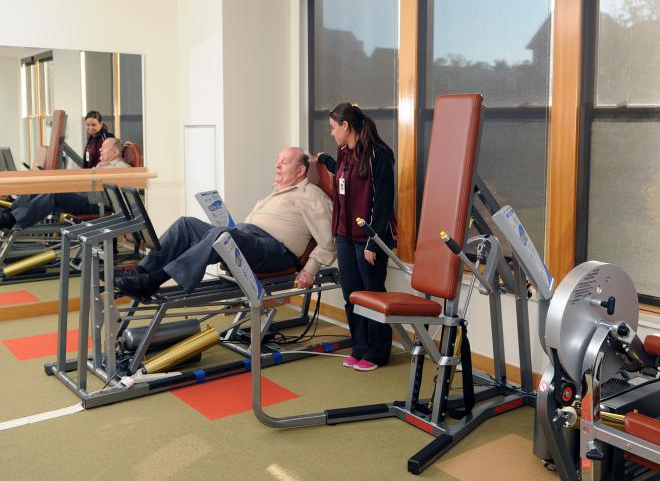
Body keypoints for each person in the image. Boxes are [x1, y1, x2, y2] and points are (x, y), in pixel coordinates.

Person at [115, 147, 335, 302]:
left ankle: (152, 281)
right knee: (186, 224)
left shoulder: (311, 195)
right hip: (249, 237)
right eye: (278, 160)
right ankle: (141, 271)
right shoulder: (279, 191)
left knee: (223, 235)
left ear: (301, 171)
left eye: (284, 162)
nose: (277, 165)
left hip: (275, 251)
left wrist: (310, 269)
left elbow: (329, 240)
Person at [317, 103, 397, 372]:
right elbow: (343, 177)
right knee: (351, 295)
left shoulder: (379, 156)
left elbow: (383, 203)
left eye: (333, 128)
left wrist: (374, 241)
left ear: (346, 126)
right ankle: (360, 347)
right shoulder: (343, 152)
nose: (331, 133)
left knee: (372, 296)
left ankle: (377, 352)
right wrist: (324, 161)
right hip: (344, 235)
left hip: (368, 239)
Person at [0, 138, 131, 230]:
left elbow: (116, 196)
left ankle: (12, 219)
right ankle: (9, 212)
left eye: (104, 148)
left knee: (56, 194)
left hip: (96, 203)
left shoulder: (121, 167)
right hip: (84, 195)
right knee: (41, 185)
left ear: (115, 153)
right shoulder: (102, 165)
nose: (100, 150)